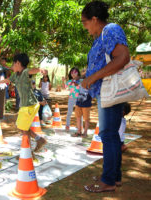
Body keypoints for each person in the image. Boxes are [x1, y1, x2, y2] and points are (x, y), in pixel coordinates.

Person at [81, 1, 130, 193]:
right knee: (110, 135)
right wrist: (90, 75)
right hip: (104, 92)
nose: (85, 27)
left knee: (107, 135)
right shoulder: (100, 36)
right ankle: (114, 178)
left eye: (85, 22)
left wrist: (93, 76)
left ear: (94, 19)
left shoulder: (110, 29)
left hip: (110, 92)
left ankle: (108, 180)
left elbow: (122, 57)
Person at [0, 53, 47, 152]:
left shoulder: (25, 72)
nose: (12, 67)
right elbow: (8, 80)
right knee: (22, 127)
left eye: (13, 64)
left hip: (30, 105)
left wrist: (40, 70)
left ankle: (28, 153)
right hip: (25, 105)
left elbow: (32, 70)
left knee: (24, 129)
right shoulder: (16, 75)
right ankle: (39, 140)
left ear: (18, 63)